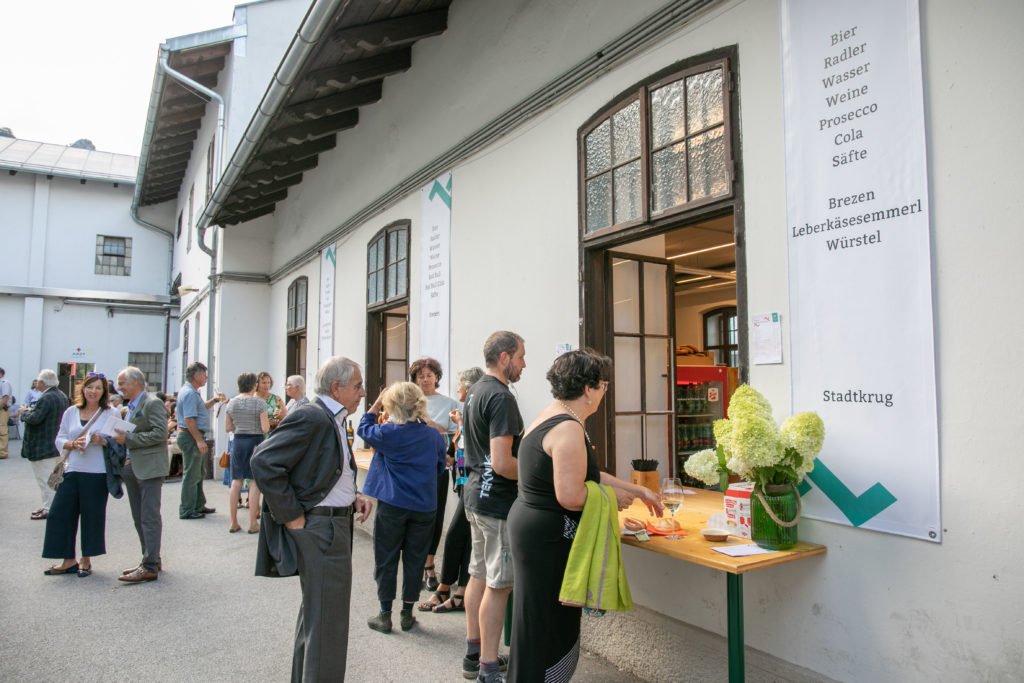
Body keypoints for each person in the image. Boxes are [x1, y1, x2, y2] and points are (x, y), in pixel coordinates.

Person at [506, 349, 663, 682]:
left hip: (532, 527)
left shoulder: (556, 415)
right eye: (604, 384)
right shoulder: (568, 428)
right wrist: (611, 498)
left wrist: (637, 491)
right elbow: (572, 494)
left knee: (534, 619)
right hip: (547, 535)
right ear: (589, 389)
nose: (605, 392)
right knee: (549, 624)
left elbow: (586, 472)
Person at [251, 356, 374, 682]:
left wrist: (352, 495)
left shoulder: (329, 417)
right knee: (327, 625)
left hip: (331, 524)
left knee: (318, 619)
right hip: (323, 529)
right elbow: (264, 462)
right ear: (337, 387)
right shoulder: (314, 416)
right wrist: (292, 517)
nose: (363, 392)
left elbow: (322, 467)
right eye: (358, 385)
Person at [461, 331, 527, 682]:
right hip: (497, 501)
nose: (524, 364)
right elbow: (502, 463)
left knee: (478, 575)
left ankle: (475, 652)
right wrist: (539, 473)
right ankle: (488, 667)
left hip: (475, 496)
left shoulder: (476, 390)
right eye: (521, 356)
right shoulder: (501, 398)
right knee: (499, 586)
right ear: (504, 358)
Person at [359, 382, 447, 634]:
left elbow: (364, 427)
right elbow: (440, 466)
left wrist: (376, 402)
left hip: (393, 503)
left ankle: (384, 614)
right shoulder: (432, 435)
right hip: (424, 505)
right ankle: (407, 613)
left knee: (386, 558)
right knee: (415, 559)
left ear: (392, 405)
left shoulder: (387, 433)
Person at [41, 372, 121, 577]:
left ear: (104, 392)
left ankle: (86, 559)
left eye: (98, 388)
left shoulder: (111, 412)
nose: (93, 391)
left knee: (92, 515)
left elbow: (120, 441)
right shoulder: (71, 411)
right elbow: (60, 438)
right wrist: (72, 443)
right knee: (59, 514)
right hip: (72, 469)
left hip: (97, 472)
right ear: (83, 389)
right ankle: (68, 560)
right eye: (90, 387)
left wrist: (101, 440)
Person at [420, 366, 485, 614]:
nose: (457, 390)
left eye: (459, 385)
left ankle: (453, 590)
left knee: (461, 533)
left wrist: (459, 426)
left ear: (468, 388)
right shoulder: (466, 412)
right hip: (463, 483)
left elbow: (474, 446)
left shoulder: (475, 411)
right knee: (462, 534)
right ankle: (451, 589)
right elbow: (459, 444)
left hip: (474, 484)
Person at [409, 357, 460, 592]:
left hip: (437, 467)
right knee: (413, 518)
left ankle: (429, 566)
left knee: (435, 516)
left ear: (437, 378)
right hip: (411, 469)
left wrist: (428, 422)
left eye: (429, 375)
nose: (425, 379)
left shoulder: (450, 404)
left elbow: (454, 437)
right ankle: (414, 565)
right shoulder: (407, 401)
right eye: (420, 376)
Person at [114, 366, 169, 583]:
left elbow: (160, 433)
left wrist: (128, 440)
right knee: (139, 517)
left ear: (136, 382)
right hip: (134, 466)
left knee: (149, 517)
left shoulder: (152, 403)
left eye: (122, 383)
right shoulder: (130, 406)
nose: (119, 388)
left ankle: (149, 565)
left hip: (149, 467)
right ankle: (150, 558)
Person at [20, 369, 70, 520]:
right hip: (54, 445)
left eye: (38, 381)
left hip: (43, 446)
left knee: (45, 479)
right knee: (53, 479)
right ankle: (48, 506)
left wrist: (24, 413)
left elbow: (36, 418)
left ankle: (49, 508)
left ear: (42, 382)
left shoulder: (46, 397)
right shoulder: (61, 395)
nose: (36, 383)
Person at [176, 362, 223, 519]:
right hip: (191, 437)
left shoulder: (191, 392)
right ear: (196, 376)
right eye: (204, 374)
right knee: (192, 474)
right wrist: (199, 440)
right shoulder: (189, 393)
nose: (206, 378)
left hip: (192, 436)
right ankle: (187, 509)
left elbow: (201, 407)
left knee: (198, 472)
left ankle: (197, 505)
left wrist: (214, 401)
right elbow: (189, 419)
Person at [225, 371, 270, 533]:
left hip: (238, 441)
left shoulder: (231, 403)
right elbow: (265, 428)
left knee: (236, 481)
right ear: (254, 385)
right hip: (255, 441)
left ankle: (234, 522)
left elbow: (228, 428)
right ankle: (252, 523)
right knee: (253, 482)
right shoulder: (259, 403)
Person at [0, 367, 13, 459]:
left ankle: (2, 453)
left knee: (2, 430)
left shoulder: (4, 383)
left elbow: (5, 398)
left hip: (2, 409)